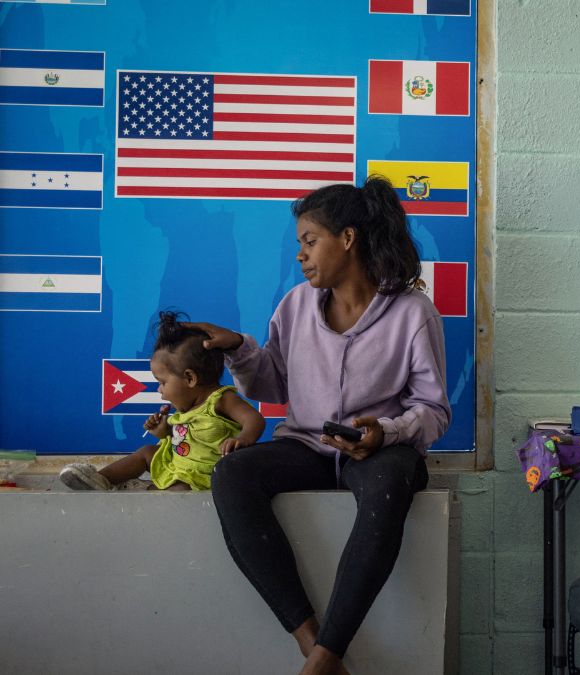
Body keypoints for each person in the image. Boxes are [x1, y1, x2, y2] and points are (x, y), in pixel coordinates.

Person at [186, 176, 450, 675]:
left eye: (310, 241)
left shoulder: (414, 313)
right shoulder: (294, 306)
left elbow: (434, 409)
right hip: (306, 446)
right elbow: (272, 385)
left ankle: (326, 655)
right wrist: (238, 349)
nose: (301, 256)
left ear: (347, 239)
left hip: (376, 451)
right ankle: (315, 647)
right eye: (300, 245)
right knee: (233, 475)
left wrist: (385, 433)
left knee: (393, 479)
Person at [59, 311, 265, 492]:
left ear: (190, 378)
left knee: (179, 489)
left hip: (202, 478)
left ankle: (151, 488)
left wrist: (244, 439)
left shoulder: (221, 400)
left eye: (162, 382)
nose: (160, 391)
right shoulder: (186, 408)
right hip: (177, 465)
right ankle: (101, 480)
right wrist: (164, 433)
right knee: (147, 452)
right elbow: (186, 440)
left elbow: (253, 418)